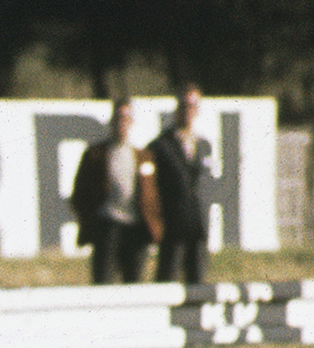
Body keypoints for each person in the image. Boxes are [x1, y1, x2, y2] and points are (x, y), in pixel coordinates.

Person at [69, 95, 161, 285]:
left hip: (135, 228)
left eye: (126, 119)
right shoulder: (96, 154)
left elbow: (153, 195)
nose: (122, 123)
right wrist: (91, 220)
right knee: (103, 283)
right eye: (118, 118)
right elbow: (79, 194)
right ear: (111, 122)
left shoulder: (143, 156)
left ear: (132, 122)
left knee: (134, 284)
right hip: (107, 226)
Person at [148, 85, 215, 284]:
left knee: (198, 283)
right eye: (184, 105)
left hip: (198, 225)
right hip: (172, 226)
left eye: (193, 106)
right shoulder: (161, 146)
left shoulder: (203, 145)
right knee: (167, 279)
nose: (188, 111)